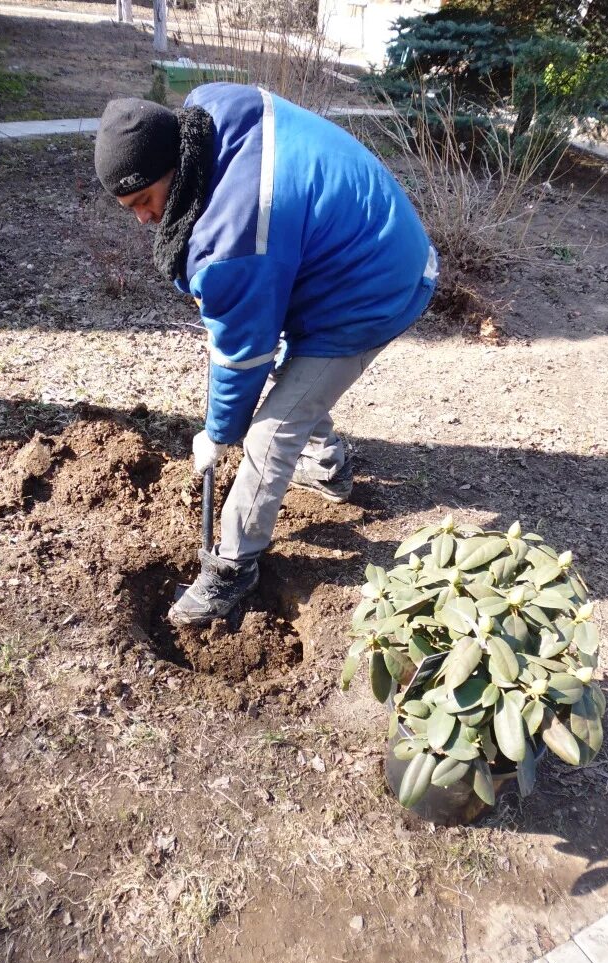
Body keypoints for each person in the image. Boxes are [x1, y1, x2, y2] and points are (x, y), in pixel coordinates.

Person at [94, 83, 438, 626]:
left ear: (172, 168)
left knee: (271, 430)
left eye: (144, 201)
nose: (143, 219)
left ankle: (232, 567)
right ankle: (327, 468)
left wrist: (219, 431)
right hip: (359, 248)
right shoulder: (212, 116)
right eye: (130, 208)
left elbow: (242, 356)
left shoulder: (233, 239)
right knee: (296, 377)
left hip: (375, 289)